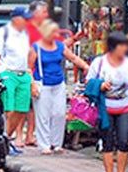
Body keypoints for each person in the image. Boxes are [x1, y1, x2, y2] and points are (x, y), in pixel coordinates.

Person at [88, 31, 128, 172]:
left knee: (124, 141)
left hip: (125, 107)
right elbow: (89, 81)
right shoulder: (99, 63)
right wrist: (101, 85)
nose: (125, 49)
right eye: (122, 46)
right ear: (113, 47)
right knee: (107, 142)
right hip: (106, 108)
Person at [29, 13, 88, 155]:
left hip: (58, 83)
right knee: (43, 115)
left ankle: (56, 143)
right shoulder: (36, 48)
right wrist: (32, 84)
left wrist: (86, 67)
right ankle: (44, 144)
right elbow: (29, 67)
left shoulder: (60, 46)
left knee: (59, 113)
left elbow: (73, 58)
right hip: (43, 84)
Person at [0, 7, 34, 151]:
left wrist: (30, 73)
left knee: (21, 109)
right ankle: (2, 141)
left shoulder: (27, 34)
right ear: (16, 19)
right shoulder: (3, 33)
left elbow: (30, 53)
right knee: (9, 109)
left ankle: (5, 138)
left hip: (23, 74)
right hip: (7, 73)